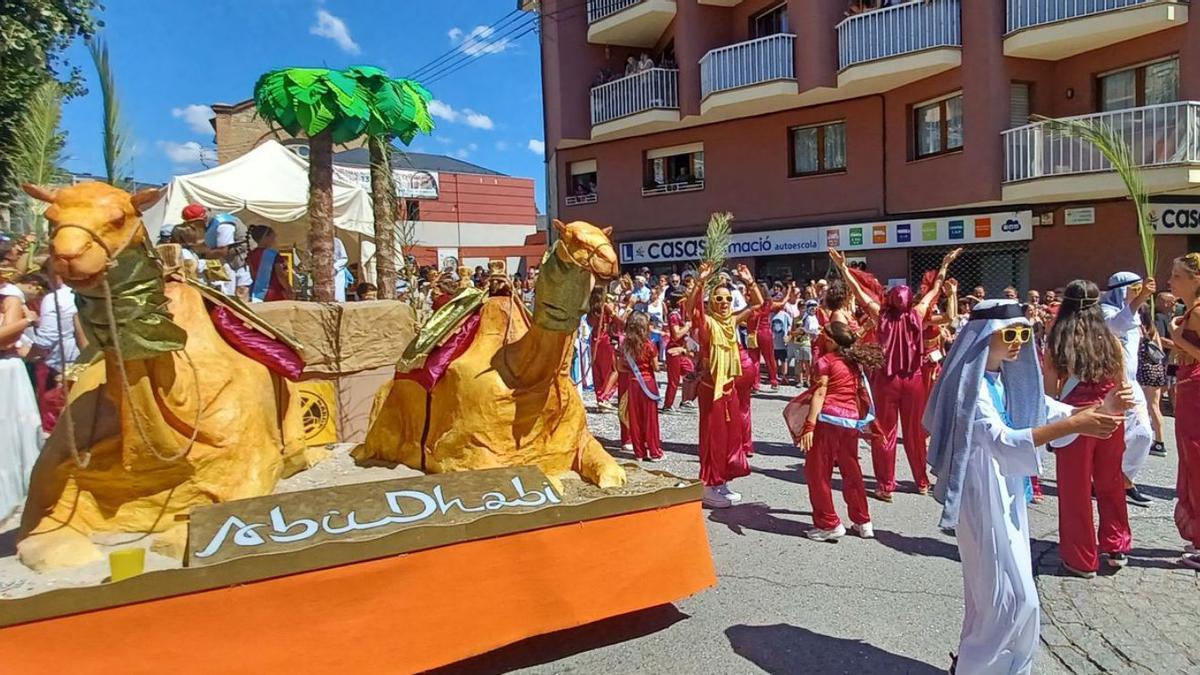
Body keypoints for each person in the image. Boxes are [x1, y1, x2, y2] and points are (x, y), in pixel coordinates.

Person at [925, 299, 1127, 675]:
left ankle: (993, 668)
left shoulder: (1000, 380)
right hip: (981, 495)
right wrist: (1076, 425)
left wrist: (1105, 407)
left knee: (1001, 598)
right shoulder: (971, 391)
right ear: (985, 338)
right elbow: (1002, 440)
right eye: (1009, 334)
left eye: (1024, 333)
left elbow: (1045, 408)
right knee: (1009, 599)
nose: (1018, 343)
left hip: (1007, 491)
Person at [832, 246, 962, 501]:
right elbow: (935, 290)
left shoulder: (880, 314)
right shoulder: (918, 314)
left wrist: (843, 267)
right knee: (914, 433)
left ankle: (885, 485)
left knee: (885, 433)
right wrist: (945, 264)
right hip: (913, 380)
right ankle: (922, 481)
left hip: (886, 381)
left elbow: (858, 292)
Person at [1044, 280, 1133, 577]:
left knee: (1075, 490)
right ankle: (1115, 544)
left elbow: (1050, 389)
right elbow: (1122, 384)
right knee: (1110, 482)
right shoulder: (1109, 337)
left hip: (1076, 419)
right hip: (1111, 416)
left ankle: (1081, 558)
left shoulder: (1058, 337)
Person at [787, 321, 883, 541]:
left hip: (828, 420)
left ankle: (828, 523)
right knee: (852, 470)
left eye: (823, 333)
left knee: (818, 472)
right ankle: (863, 521)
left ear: (830, 339)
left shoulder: (825, 362)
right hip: (849, 423)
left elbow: (820, 394)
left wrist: (809, 426)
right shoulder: (854, 362)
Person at [688, 261, 762, 508]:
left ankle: (720, 481)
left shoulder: (731, 321)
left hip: (729, 389)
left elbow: (759, 304)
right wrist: (700, 280)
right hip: (712, 390)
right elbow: (693, 310)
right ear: (711, 302)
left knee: (729, 438)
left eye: (727, 299)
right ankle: (708, 484)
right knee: (711, 436)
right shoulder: (708, 323)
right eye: (718, 299)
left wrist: (749, 281)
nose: (723, 303)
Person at [1100, 271, 1156, 505]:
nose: (1137, 292)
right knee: (1111, 438)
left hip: (1132, 383)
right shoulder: (1104, 312)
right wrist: (1140, 297)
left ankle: (1124, 478)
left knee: (1143, 434)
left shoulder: (1134, 313)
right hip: (1110, 385)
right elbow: (1116, 326)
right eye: (1133, 288)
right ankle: (1107, 481)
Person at [0, 264, 43, 520]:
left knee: (10, 434)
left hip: (5, 370)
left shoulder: (10, 297)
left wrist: (25, 321)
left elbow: (4, 339)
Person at [1167, 253, 1200, 569]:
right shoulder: (1189, 310)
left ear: (1195, 279)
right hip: (1191, 386)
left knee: (1196, 459)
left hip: (1197, 388)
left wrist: (1177, 337)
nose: (1170, 280)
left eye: (1177, 275)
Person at [618, 312, 664, 461]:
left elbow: (621, 367)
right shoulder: (650, 345)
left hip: (633, 382)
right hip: (648, 383)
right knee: (650, 418)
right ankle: (655, 452)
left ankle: (639, 453)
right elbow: (656, 367)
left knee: (635, 418)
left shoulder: (625, 345)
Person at [1136, 303, 1168, 472]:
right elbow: (1160, 352)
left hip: (1144, 370)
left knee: (1146, 406)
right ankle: (1160, 440)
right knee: (1155, 406)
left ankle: (1153, 440)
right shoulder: (1153, 329)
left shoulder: (1138, 329)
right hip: (1156, 369)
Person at [587, 286, 620, 412]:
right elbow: (620, 322)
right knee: (613, 370)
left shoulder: (591, 308)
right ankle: (604, 397)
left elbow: (590, 323)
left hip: (595, 338)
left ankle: (600, 397)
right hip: (604, 339)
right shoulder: (604, 307)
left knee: (598, 370)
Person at [246, 225, 293, 303]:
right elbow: (280, 275)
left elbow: (253, 275)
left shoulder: (251, 254)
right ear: (266, 238)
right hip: (274, 292)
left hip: (257, 292)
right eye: (272, 237)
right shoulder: (272, 254)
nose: (274, 240)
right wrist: (288, 289)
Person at [663, 293, 693, 412]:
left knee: (692, 372)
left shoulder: (681, 315)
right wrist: (687, 327)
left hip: (681, 350)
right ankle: (668, 405)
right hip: (674, 349)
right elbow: (676, 335)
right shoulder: (674, 316)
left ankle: (686, 400)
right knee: (674, 380)